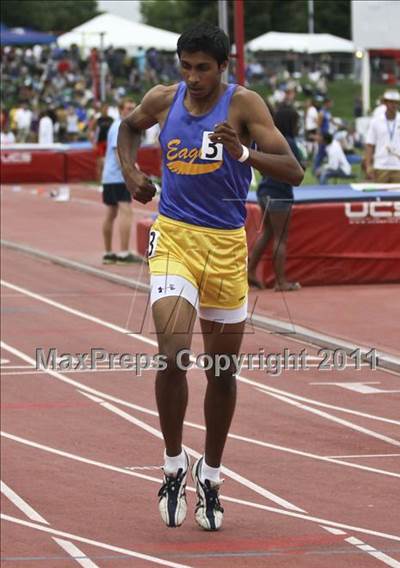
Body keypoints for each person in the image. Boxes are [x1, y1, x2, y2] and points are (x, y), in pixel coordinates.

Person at [117, 23, 303, 531]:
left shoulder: (245, 106)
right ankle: (174, 464)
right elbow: (128, 127)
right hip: (175, 236)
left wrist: (243, 152)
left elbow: (293, 170)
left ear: (223, 68)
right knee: (173, 351)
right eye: (187, 67)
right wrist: (131, 171)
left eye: (203, 68)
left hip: (225, 245)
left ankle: (212, 475)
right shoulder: (163, 98)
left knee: (222, 371)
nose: (194, 78)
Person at [248, 105, 303, 291]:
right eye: (297, 123)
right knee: (281, 238)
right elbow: (298, 170)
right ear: (291, 124)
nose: (299, 127)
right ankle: (281, 282)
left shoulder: (270, 141)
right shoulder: (289, 143)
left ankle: (250, 271)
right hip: (279, 193)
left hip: (264, 191)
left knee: (268, 233)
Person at [102, 97, 142, 265]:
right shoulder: (120, 126)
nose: (131, 110)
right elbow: (119, 153)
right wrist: (131, 172)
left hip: (109, 176)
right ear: (120, 110)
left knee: (111, 213)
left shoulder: (117, 126)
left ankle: (109, 253)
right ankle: (124, 253)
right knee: (126, 211)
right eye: (128, 108)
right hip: (118, 177)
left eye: (133, 107)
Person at [365, 90, 400, 183]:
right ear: (385, 103)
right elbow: (370, 144)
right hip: (380, 166)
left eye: (396, 102)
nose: (393, 105)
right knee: (380, 196)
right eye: (391, 102)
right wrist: (368, 165)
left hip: (399, 167)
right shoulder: (375, 121)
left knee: (399, 196)